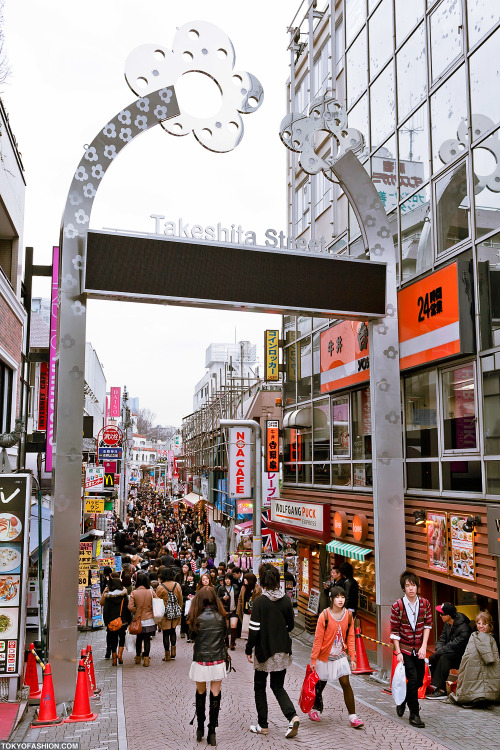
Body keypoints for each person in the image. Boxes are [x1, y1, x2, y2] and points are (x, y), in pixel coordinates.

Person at [245, 563, 300, 739]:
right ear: (278, 580)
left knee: (259, 687)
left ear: (262, 581)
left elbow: (253, 629)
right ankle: (293, 716)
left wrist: (248, 648)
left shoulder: (260, 601)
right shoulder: (285, 600)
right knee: (278, 686)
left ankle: (263, 725)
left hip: (264, 650)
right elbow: (290, 625)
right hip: (282, 649)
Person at [309, 586, 364, 727]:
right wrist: (313, 659)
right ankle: (314, 708)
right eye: (337, 597)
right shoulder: (324, 616)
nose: (340, 600)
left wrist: (353, 657)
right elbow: (318, 639)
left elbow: (351, 637)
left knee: (346, 683)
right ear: (331, 599)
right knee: (320, 684)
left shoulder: (348, 616)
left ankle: (353, 717)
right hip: (324, 656)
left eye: (343, 597)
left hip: (340, 655)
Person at [390, 570, 432, 727]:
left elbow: (428, 625)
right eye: (407, 586)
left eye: (413, 585)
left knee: (419, 680)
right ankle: (414, 714)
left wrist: (424, 646)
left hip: (419, 648)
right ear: (403, 588)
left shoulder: (425, 604)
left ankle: (403, 700)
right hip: (405, 648)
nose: (411, 588)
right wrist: (398, 652)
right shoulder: (398, 606)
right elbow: (394, 631)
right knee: (413, 679)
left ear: (417, 587)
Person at [187, 586, 228, 746]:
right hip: (217, 660)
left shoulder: (195, 617)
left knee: (200, 693)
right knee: (215, 694)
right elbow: (224, 635)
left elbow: (191, 636)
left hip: (200, 660)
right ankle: (212, 731)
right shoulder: (220, 617)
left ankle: (200, 727)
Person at [450, 610, 500, 707]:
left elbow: (491, 657)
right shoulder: (473, 636)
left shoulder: (493, 639)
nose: (481, 626)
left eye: (484, 624)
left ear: (490, 625)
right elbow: (468, 654)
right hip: (474, 668)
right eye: (479, 623)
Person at [427, 602, 472, 700]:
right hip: (451, 653)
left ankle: (442, 690)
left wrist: (441, 651)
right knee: (433, 657)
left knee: (443, 658)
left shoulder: (464, 628)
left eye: (442, 614)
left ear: (448, 615)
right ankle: (438, 686)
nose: (440, 616)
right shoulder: (448, 624)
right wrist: (438, 649)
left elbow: (455, 645)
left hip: (462, 655)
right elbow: (442, 639)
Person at [100, 577, 132, 665]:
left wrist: (106, 622)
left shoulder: (108, 597)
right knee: (122, 637)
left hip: (112, 623)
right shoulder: (124, 597)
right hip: (123, 621)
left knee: (113, 639)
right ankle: (120, 655)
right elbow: (127, 610)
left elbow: (105, 611)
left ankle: (114, 659)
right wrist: (129, 621)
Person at [128, 572, 157, 667]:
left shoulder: (134, 592)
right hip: (149, 619)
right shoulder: (151, 592)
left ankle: (137, 657)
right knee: (147, 639)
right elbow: (157, 602)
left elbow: (130, 607)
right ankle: (146, 659)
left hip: (138, 619)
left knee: (139, 639)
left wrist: (136, 610)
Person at [156, 568, 183, 661]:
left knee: (165, 634)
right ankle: (174, 651)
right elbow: (180, 599)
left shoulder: (160, 587)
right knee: (173, 631)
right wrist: (179, 609)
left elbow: (157, 601)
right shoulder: (177, 585)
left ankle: (167, 655)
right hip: (175, 611)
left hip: (165, 612)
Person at [236, 572, 262, 639]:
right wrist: (238, 609)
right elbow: (240, 599)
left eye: (246, 579)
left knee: (254, 630)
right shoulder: (243, 588)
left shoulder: (258, 589)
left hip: (254, 612)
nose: (244, 580)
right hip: (245, 611)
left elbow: (259, 600)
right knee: (246, 632)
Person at [218, 573, 238, 649]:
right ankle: (226, 642)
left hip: (234, 609)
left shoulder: (235, 587)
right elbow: (217, 599)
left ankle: (232, 643)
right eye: (226, 579)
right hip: (225, 610)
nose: (227, 581)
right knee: (226, 626)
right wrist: (223, 598)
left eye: (228, 579)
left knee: (233, 625)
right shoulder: (221, 588)